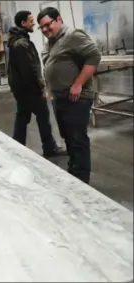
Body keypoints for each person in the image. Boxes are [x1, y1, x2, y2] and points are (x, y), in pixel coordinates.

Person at [37, 7, 101, 184]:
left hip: (76, 98)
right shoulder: (51, 42)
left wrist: (78, 83)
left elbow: (94, 56)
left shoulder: (73, 36)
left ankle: (82, 181)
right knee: (68, 138)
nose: (44, 30)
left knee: (77, 139)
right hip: (60, 99)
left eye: (47, 25)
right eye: (40, 27)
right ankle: (74, 174)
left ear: (58, 19)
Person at [7, 10, 65, 158]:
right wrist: (40, 89)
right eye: (31, 20)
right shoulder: (21, 44)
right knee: (43, 117)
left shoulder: (19, 41)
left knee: (22, 118)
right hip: (29, 91)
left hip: (22, 91)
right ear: (23, 23)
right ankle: (49, 148)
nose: (34, 23)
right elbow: (29, 71)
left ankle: (16, 149)